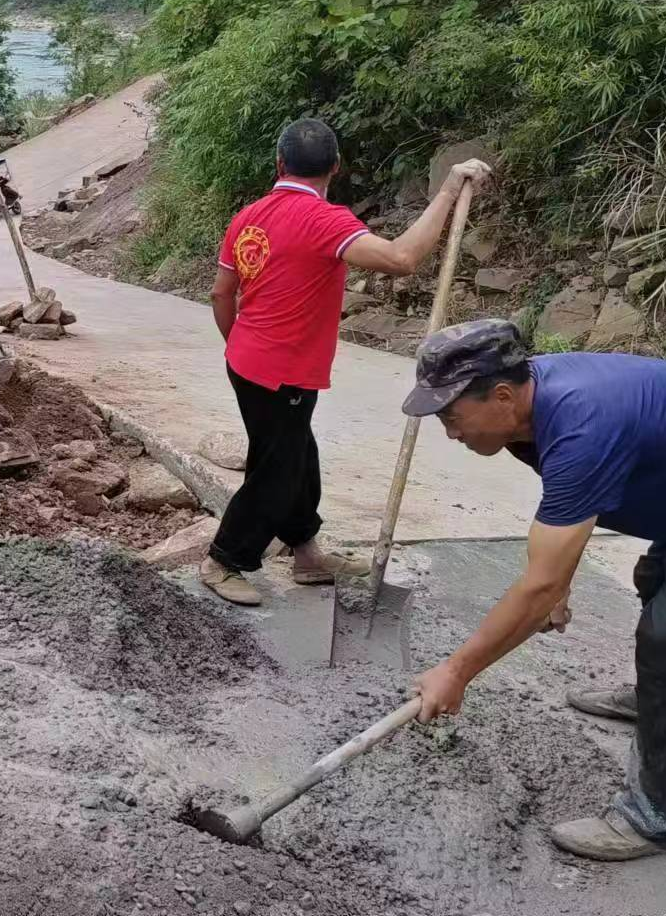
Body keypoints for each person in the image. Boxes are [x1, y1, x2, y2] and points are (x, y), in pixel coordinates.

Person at [407, 318, 666, 861]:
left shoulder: (581, 423)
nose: (450, 435)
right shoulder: (527, 409)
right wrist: (560, 580)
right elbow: (571, 513)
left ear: (502, 394)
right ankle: (658, 699)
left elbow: (538, 583)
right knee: (658, 582)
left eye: (453, 418)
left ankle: (651, 819)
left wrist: (456, 672)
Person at [200, 117, 492, 607]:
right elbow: (402, 258)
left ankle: (308, 552)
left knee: (297, 453)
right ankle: (224, 559)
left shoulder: (248, 216)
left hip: (250, 360)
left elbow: (220, 292)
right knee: (277, 470)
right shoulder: (323, 220)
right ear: (335, 167)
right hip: (280, 369)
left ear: (279, 163)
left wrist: (241, 345)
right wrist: (445, 192)